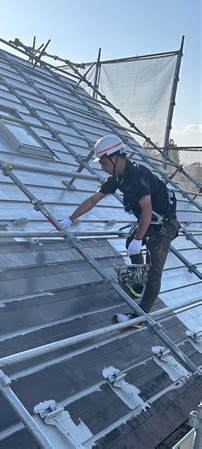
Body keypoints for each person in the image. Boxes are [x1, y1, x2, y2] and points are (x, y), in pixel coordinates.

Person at [60, 135, 179, 325]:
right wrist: (69, 220)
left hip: (164, 226)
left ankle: (140, 318)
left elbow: (147, 210)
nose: (101, 166)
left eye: (103, 162)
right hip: (151, 222)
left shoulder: (138, 175)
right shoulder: (117, 178)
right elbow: (92, 200)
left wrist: (139, 239)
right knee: (130, 242)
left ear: (115, 158)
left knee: (154, 273)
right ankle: (138, 284)